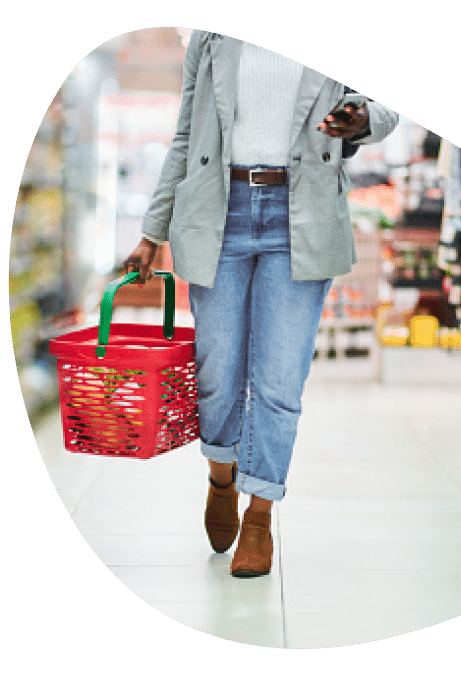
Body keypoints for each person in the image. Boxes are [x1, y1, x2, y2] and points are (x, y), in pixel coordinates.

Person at [124, 31, 399, 578]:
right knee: (218, 370)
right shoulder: (210, 37)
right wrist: (152, 230)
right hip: (216, 209)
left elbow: (388, 111)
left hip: (301, 212)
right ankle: (222, 474)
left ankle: (260, 515)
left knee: (277, 380)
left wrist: (361, 119)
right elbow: (185, 137)